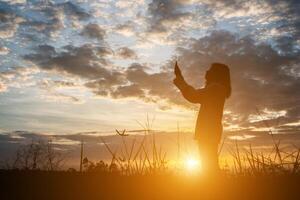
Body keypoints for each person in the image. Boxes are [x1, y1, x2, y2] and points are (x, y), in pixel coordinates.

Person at [173, 61, 231, 174]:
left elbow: (193, 96)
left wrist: (180, 79)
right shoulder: (217, 88)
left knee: (209, 166)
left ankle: (214, 188)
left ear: (216, 73)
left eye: (210, 70)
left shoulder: (216, 88)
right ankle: (215, 187)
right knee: (210, 163)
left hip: (208, 131)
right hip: (210, 130)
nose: (207, 71)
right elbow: (195, 96)